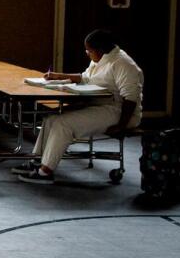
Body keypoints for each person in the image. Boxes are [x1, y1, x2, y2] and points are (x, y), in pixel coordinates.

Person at [15, 29, 143, 184]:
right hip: (99, 105)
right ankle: (36, 161)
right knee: (51, 118)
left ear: (100, 50)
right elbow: (86, 77)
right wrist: (58, 76)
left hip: (119, 111)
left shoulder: (123, 64)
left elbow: (130, 98)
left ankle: (45, 172)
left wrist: (121, 126)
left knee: (63, 124)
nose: (87, 53)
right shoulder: (100, 58)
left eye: (89, 51)